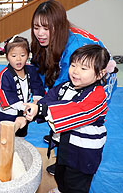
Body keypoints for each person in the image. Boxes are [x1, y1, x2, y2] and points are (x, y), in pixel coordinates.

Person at [30, 0, 117, 175]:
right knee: (60, 112)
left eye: (46, 28)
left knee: (78, 116)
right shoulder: (49, 41)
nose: (40, 33)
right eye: (36, 27)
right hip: (77, 77)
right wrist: (39, 98)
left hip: (98, 78)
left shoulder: (75, 48)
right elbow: (43, 73)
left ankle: (71, 163)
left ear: (59, 26)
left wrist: (42, 109)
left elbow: (64, 89)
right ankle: (62, 147)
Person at [23, 44, 110, 193]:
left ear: (100, 74)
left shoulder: (97, 94)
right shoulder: (65, 87)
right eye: (73, 65)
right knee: (61, 173)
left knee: (76, 183)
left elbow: (75, 110)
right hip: (66, 144)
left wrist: (42, 109)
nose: (75, 71)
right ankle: (62, 189)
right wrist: (33, 112)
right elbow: (49, 99)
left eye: (84, 68)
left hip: (83, 152)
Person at [0, 36, 45, 137]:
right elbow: (6, 95)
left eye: (22, 55)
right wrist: (25, 106)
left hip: (24, 111)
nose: (18, 59)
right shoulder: (4, 75)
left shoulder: (31, 70)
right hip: (7, 113)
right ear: (7, 57)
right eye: (14, 55)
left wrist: (36, 100)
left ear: (28, 55)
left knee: (20, 135)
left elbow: (37, 86)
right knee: (2, 137)